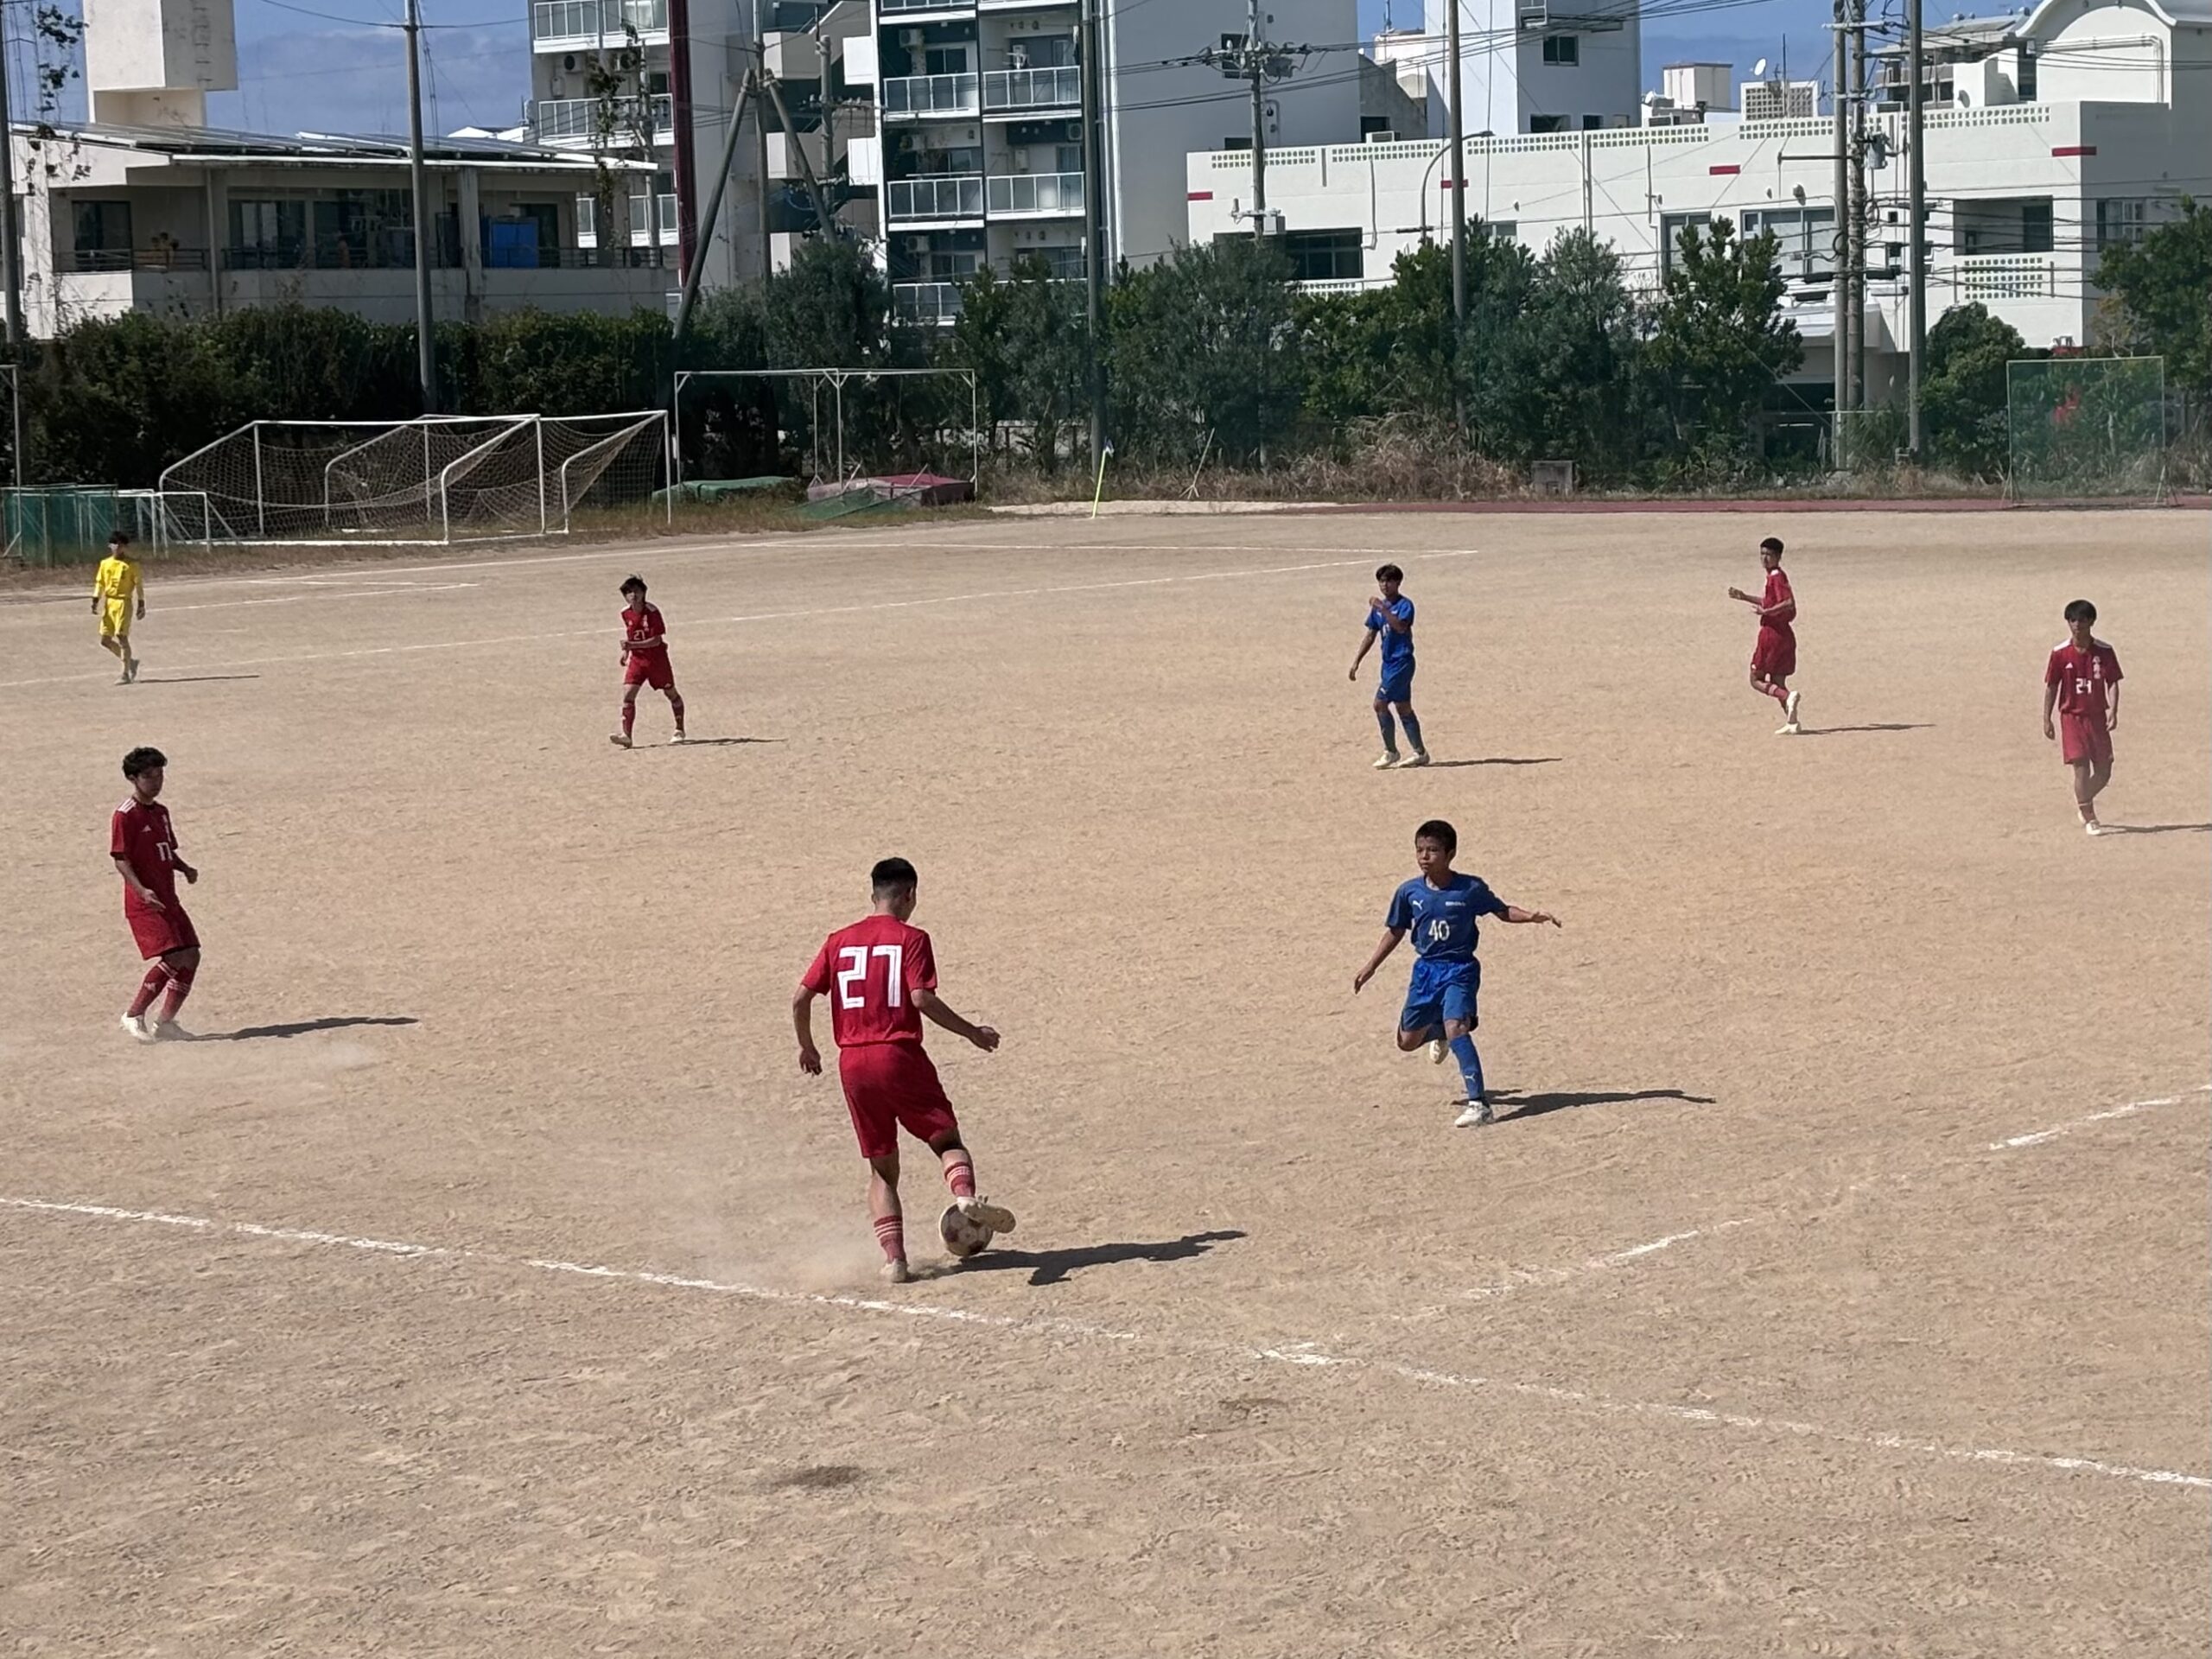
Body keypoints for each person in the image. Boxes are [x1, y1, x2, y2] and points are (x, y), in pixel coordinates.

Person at [793, 857, 1017, 1283]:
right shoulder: (912, 939)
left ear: (873, 894)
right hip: (899, 1054)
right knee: (947, 1141)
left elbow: (800, 998)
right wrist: (972, 1032)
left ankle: (895, 1261)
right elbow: (921, 999)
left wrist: (808, 1047)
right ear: (910, 894)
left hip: (852, 1062)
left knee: (882, 1169)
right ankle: (965, 1196)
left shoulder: (838, 941)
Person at [1352, 818, 1560, 1128]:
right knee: (1407, 1042)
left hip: (1460, 969)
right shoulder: (1408, 892)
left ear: (1450, 854)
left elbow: (1502, 910)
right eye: (1420, 850)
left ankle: (1479, 1104)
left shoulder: (1469, 889)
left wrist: (1531, 916)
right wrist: (1371, 966)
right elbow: (1396, 930)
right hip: (1425, 973)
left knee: (1458, 1028)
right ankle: (1440, 1032)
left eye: (1433, 850)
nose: (1424, 857)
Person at [111, 747, 202, 1041]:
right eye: (149, 776)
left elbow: (165, 851)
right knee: (175, 956)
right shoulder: (125, 815)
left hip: (168, 898)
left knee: (192, 955)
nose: (156, 781)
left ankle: (165, 1023)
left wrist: (184, 868)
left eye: (160, 774)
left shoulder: (161, 813)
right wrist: (141, 890)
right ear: (133, 778)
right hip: (145, 902)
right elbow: (120, 859)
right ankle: (133, 1014)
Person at [2043, 598, 2123, 836]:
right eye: (2072, 620)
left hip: (2097, 717)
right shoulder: (2060, 653)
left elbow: (2113, 682)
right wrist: (2046, 718)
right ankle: (2089, 816)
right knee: (2081, 767)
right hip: (2072, 717)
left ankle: (2083, 799)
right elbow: (2051, 686)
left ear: (2091, 622)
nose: (2077, 625)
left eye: (2082, 620)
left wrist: (2113, 711)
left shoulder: (2104, 651)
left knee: (2104, 770)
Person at [1349, 563, 1430, 769]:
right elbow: (1370, 635)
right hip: (1387, 664)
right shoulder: (1378, 609)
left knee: (1379, 704)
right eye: (1382, 581)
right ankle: (1420, 752)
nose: (1385, 585)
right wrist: (1357, 661)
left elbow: (1401, 627)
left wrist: (1383, 609)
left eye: (1389, 581)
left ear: (1398, 583)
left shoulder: (1405, 605)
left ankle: (1391, 751)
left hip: (1402, 662)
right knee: (1403, 707)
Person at [1728, 536, 1802, 734]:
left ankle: (1787, 697)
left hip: (1772, 634)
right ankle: (1792, 721)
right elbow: (1770, 601)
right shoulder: (1774, 576)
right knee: (1778, 681)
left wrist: (1767, 612)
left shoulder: (1777, 576)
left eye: (1769, 555)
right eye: (1762, 554)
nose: (1764, 558)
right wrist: (1744, 597)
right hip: (1784, 635)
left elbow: (1788, 602)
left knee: (1755, 679)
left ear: (1778, 557)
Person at [609, 575, 686, 747]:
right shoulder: (625, 613)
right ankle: (626, 736)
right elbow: (631, 634)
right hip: (637, 660)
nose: (633, 595)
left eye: (636, 591)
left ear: (644, 592)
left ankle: (679, 729)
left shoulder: (652, 612)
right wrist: (626, 652)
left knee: (670, 693)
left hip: (656, 660)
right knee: (628, 695)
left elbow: (656, 640)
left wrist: (632, 645)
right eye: (629, 592)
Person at [92, 530, 145, 685]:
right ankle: (131, 661)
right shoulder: (105, 563)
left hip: (123, 602)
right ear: (110, 546)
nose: (118, 548)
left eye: (121, 545)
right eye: (115, 545)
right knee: (105, 640)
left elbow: (139, 585)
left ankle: (125, 673)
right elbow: (100, 583)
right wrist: (95, 599)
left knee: (122, 636)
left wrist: (141, 603)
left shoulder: (131, 565)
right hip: (109, 603)